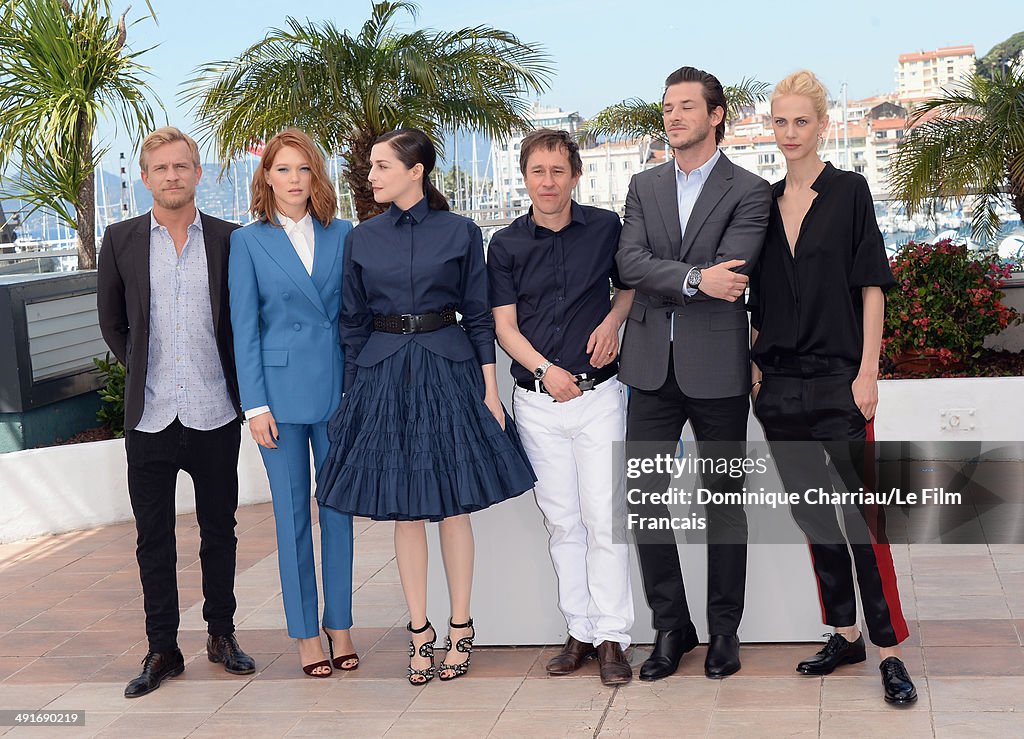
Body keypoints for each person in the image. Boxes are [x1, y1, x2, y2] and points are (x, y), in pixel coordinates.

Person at [315, 128, 535, 685]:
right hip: (383, 375)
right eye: (371, 167)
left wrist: (490, 388)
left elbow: (480, 314)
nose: (371, 175)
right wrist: (356, 390)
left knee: (453, 505)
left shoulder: (461, 232)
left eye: (382, 166)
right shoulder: (361, 239)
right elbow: (352, 321)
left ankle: (461, 626)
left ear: (417, 171)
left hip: (449, 367)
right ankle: (420, 632)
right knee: (405, 509)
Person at [749, 70, 916, 705]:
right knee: (814, 516)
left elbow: (871, 285)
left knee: (863, 520)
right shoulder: (761, 204)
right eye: (780, 121)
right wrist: (758, 367)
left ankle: (890, 650)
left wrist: (868, 370)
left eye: (801, 121)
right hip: (781, 389)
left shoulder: (849, 192)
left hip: (840, 382)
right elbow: (757, 299)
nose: (789, 133)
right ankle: (844, 634)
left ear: (821, 125)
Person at [616, 66, 771, 681]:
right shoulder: (642, 184)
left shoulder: (750, 189)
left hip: (718, 368)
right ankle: (671, 627)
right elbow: (628, 262)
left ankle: (724, 632)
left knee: (724, 504)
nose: (674, 116)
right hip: (650, 367)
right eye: (668, 107)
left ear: (716, 115)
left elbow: (735, 270)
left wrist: (686, 275)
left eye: (686, 106)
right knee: (646, 502)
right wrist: (691, 278)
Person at [97, 126, 255, 698]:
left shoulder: (231, 240)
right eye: (160, 168)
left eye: (181, 167)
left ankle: (221, 635)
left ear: (198, 173)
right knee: (153, 538)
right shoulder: (119, 240)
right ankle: (163, 648)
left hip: (216, 411)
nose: (172, 176)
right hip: (151, 416)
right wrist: (139, 366)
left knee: (221, 532)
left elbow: (243, 323)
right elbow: (112, 322)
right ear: (144, 178)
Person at [487, 129, 636, 686]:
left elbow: (627, 289)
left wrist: (612, 322)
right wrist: (547, 371)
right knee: (563, 523)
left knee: (604, 519)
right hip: (538, 403)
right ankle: (579, 630)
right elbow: (504, 326)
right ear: (524, 177)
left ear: (575, 175)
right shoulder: (504, 245)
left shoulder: (606, 229)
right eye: (537, 172)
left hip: (600, 397)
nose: (547, 182)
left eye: (558, 171)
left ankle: (614, 637)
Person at [228, 129, 356, 678]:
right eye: (283, 169)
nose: (294, 180)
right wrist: (254, 406)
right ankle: (305, 634)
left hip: (335, 392)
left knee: (340, 513)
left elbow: (353, 317)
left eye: (303, 169)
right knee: (292, 519)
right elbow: (244, 328)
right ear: (267, 177)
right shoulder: (248, 240)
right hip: (276, 399)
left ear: (316, 176)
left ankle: (341, 625)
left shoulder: (343, 233)